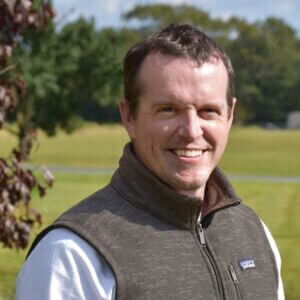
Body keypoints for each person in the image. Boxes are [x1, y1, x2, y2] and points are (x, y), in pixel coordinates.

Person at [16, 23, 284, 300]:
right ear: (128, 116)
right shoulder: (72, 256)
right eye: (168, 109)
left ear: (230, 116)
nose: (191, 130)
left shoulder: (254, 233)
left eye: (208, 111)